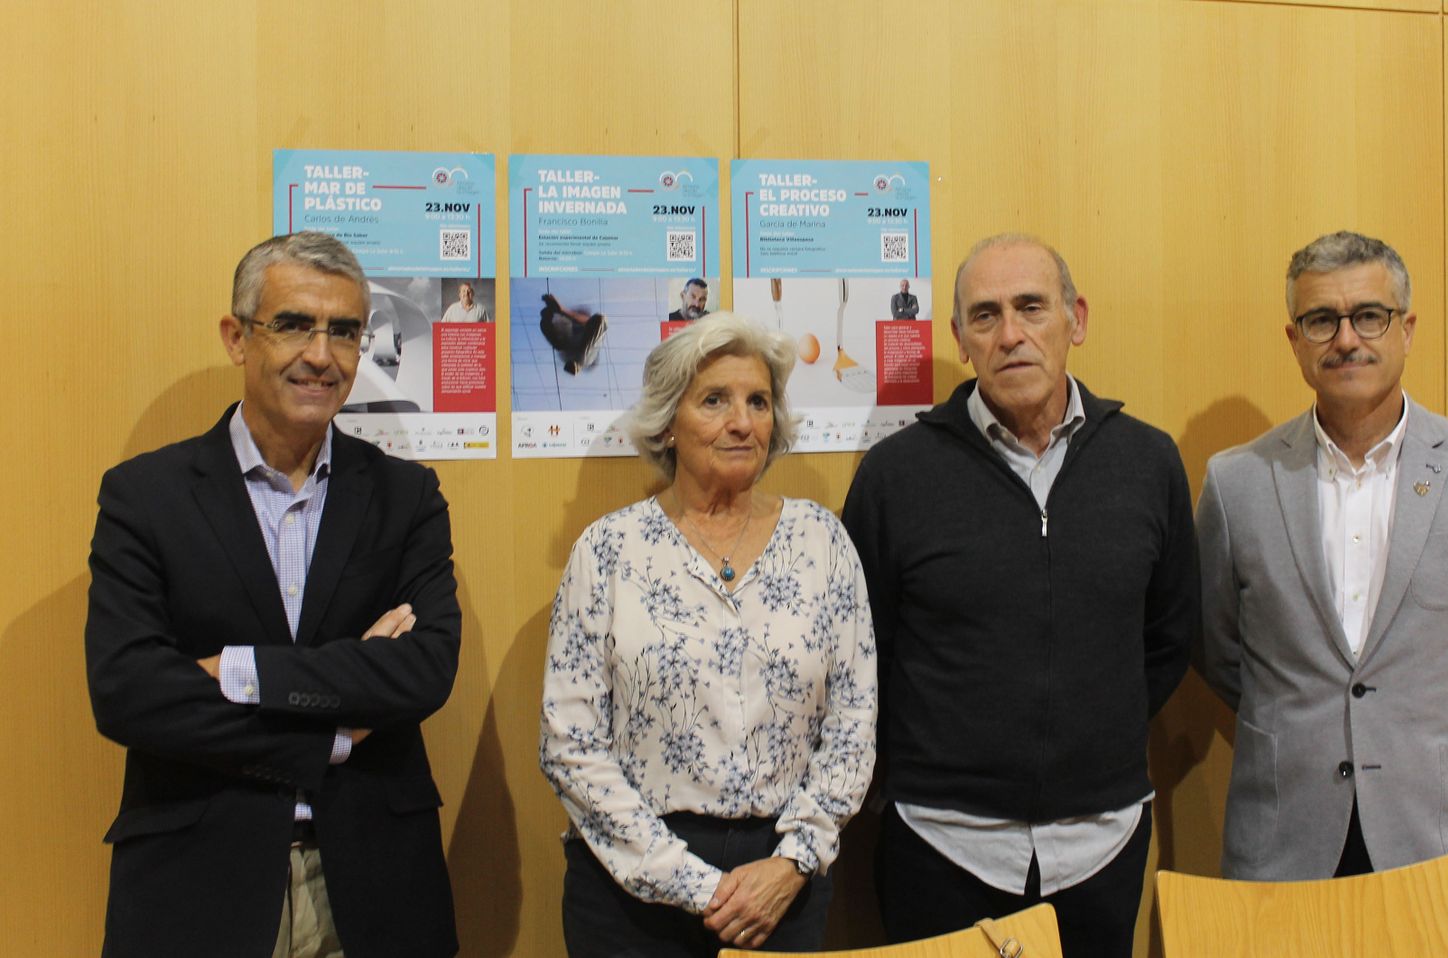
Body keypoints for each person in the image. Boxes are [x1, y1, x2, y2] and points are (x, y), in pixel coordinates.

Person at [85, 232, 461, 958]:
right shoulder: (143, 497)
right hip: (197, 880)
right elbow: (130, 692)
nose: (321, 355)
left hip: (376, 882)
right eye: (293, 324)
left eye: (345, 331)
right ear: (237, 336)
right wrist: (332, 733)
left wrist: (236, 670)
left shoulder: (406, 496)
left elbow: (422, 671)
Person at [1194, 231, 1448, 958]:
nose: (1347, 339)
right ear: (1295, 341)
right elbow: (1218, 646)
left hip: (1441, 843)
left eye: (1370, 315)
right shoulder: (1237, 485)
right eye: (1322, 321)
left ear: (1407, 329)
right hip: (1286, 846)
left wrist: (1441, 743)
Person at [842, 233, 1198, 954]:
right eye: (985, 316)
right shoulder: (896, 475)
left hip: (1102, 843)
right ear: (960, 340)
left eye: (1031, 307)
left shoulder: (1148, 462)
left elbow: (1169, 634)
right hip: (942, 845)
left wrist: (1090, 732)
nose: (1011, 334)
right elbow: (857, 656)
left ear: (1077, 320)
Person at [541, 311, 876, 957]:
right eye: (715, 400)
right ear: (668, 420)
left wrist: (792, 863)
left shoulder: (822, 541)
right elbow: (569, 741)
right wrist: (696, 886)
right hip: (629, 889)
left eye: (758, 401)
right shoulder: (607, 549)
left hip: (783, 885)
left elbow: (854, 722)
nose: (742, 422)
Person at [540, 291, 608, 375]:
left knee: (600, 321)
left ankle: (576, 363)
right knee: (599, 321)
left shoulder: (584, 328)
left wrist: (562, 311)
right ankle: (550, 319)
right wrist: (551, 314)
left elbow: (594, 321)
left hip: (579, 354)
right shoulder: (570, 327)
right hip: (572, 351)